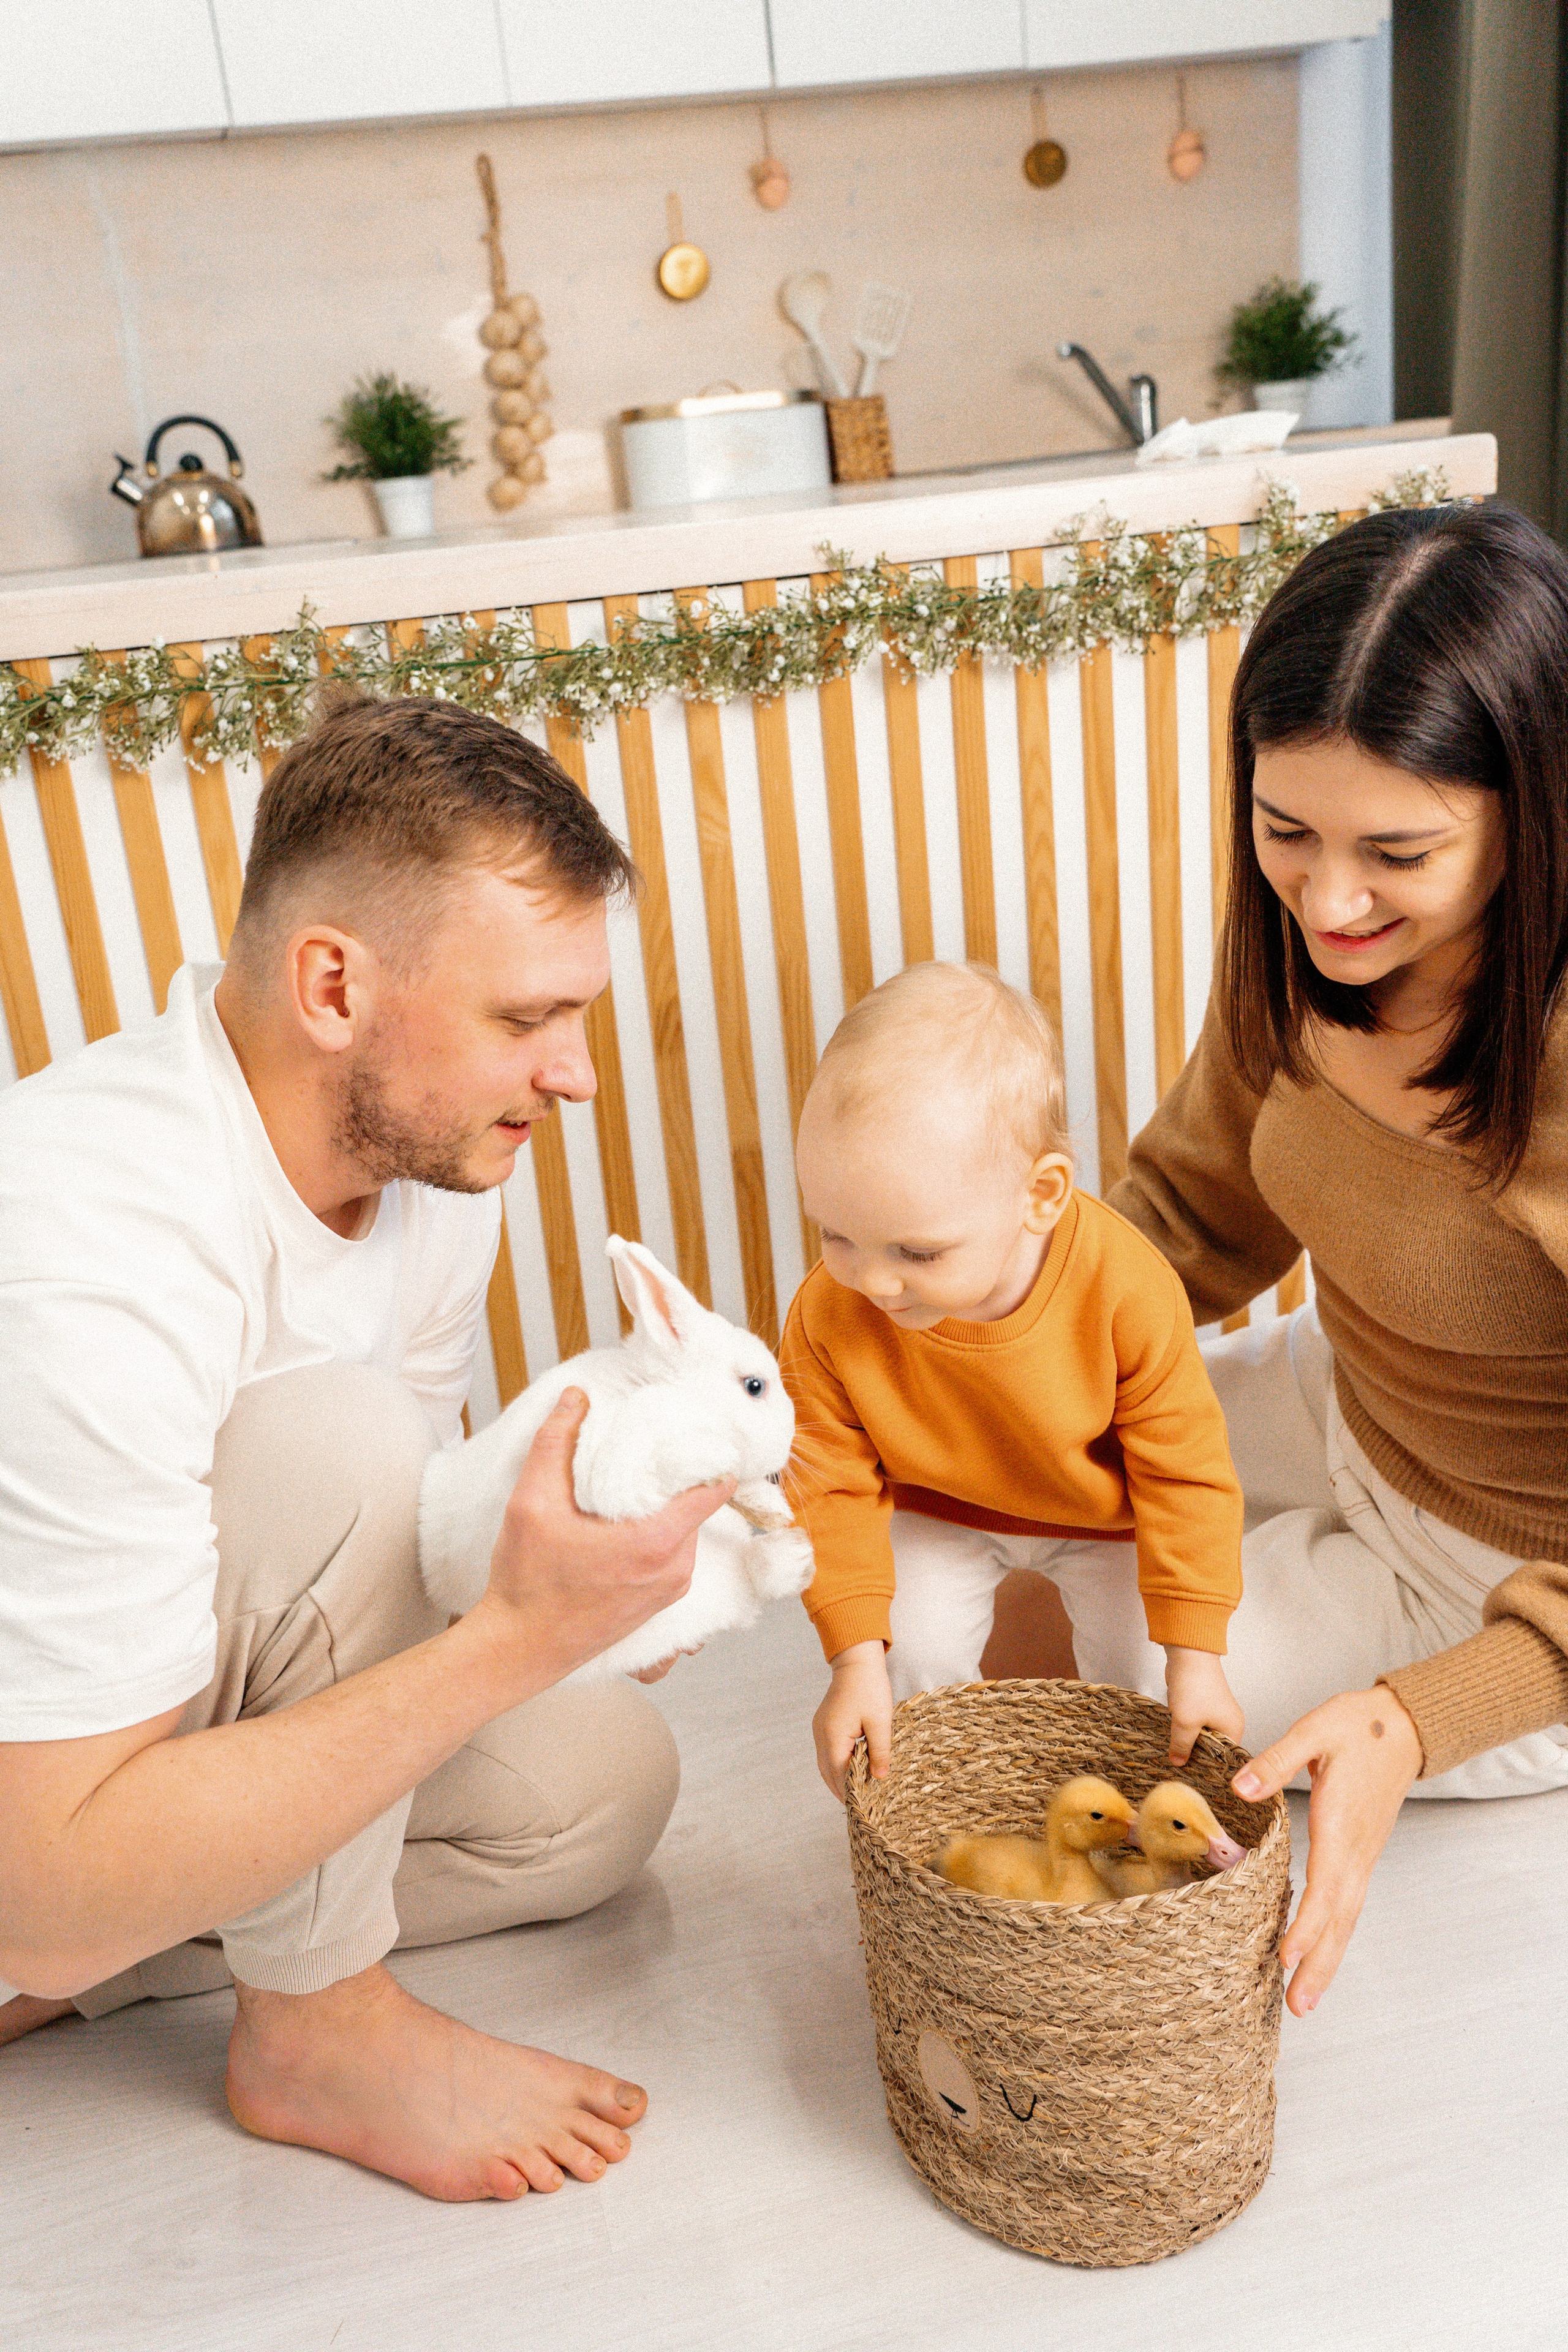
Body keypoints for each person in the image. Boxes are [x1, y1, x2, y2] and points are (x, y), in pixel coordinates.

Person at [0, 695, 734, 2203]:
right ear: (331, 984)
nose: (576, 1076)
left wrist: (579, 1584)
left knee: (600, 1792)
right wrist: (517, 1635)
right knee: (340, 1441)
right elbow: (355, 1505)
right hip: (31, 1771)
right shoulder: (87, 1245)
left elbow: (399, 1560)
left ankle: (71, 1965)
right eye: (525, 1020)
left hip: (148, 1719)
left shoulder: (427, 1169)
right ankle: (310, 2027)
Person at [1099, 500, 1568, 2019]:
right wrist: (965, 1338)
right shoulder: (1300, 950)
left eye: (1398, 853)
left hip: (1508, 1589)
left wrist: (1421, 1719)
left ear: (1534, 811)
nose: (1327, 902)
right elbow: (1181, 1216)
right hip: (1347, 1394)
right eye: (1282, 830)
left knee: (1083, 1674)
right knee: (995, 1494)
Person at [780, 959, 1246, 1798]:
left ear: (1040, 1196)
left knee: (1139, 1675)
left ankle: (1131, 1815)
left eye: (916, 1253)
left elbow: (1186, 1475)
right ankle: (940, 1802)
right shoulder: (829, 1311)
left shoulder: (1125, 1288)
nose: (874, 1282)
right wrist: (854, 1662)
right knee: (909, 1653)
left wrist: (1197, 1659)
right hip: (932, 1505)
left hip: (1103, 1516)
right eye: (836, 1234)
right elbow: (828, 1487)